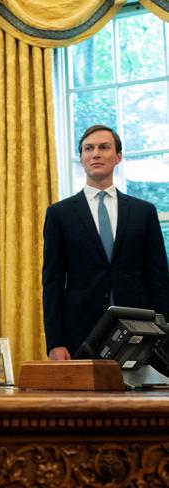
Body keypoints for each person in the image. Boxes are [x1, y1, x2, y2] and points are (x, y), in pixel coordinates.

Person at [43, 125, 169, 360]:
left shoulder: (144, 212)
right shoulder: (59, 214)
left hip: (141, 331)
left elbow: (159, 278)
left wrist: (165, 335)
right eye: (88, 149)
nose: (96, 154)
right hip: (80, 333)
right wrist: (55, 341)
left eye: (104, 147)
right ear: (81, 158)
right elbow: (52, 282)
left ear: (118, 156)